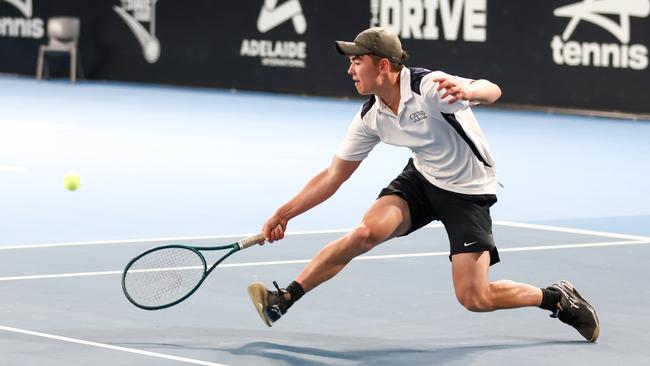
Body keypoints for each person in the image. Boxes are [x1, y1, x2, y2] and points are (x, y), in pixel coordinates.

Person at [247, 27, 599, 342]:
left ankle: (556, 297)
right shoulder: (371, 115)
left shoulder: (428, 87)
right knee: (363, 234)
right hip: (423, 178)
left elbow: (491, 89)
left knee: (474, 298)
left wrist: (467, 88)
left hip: (467, 192)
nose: (350, 69)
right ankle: (286, 298)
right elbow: (332, 176)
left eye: (358, 61)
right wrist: (284, 212)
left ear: (383, 65)